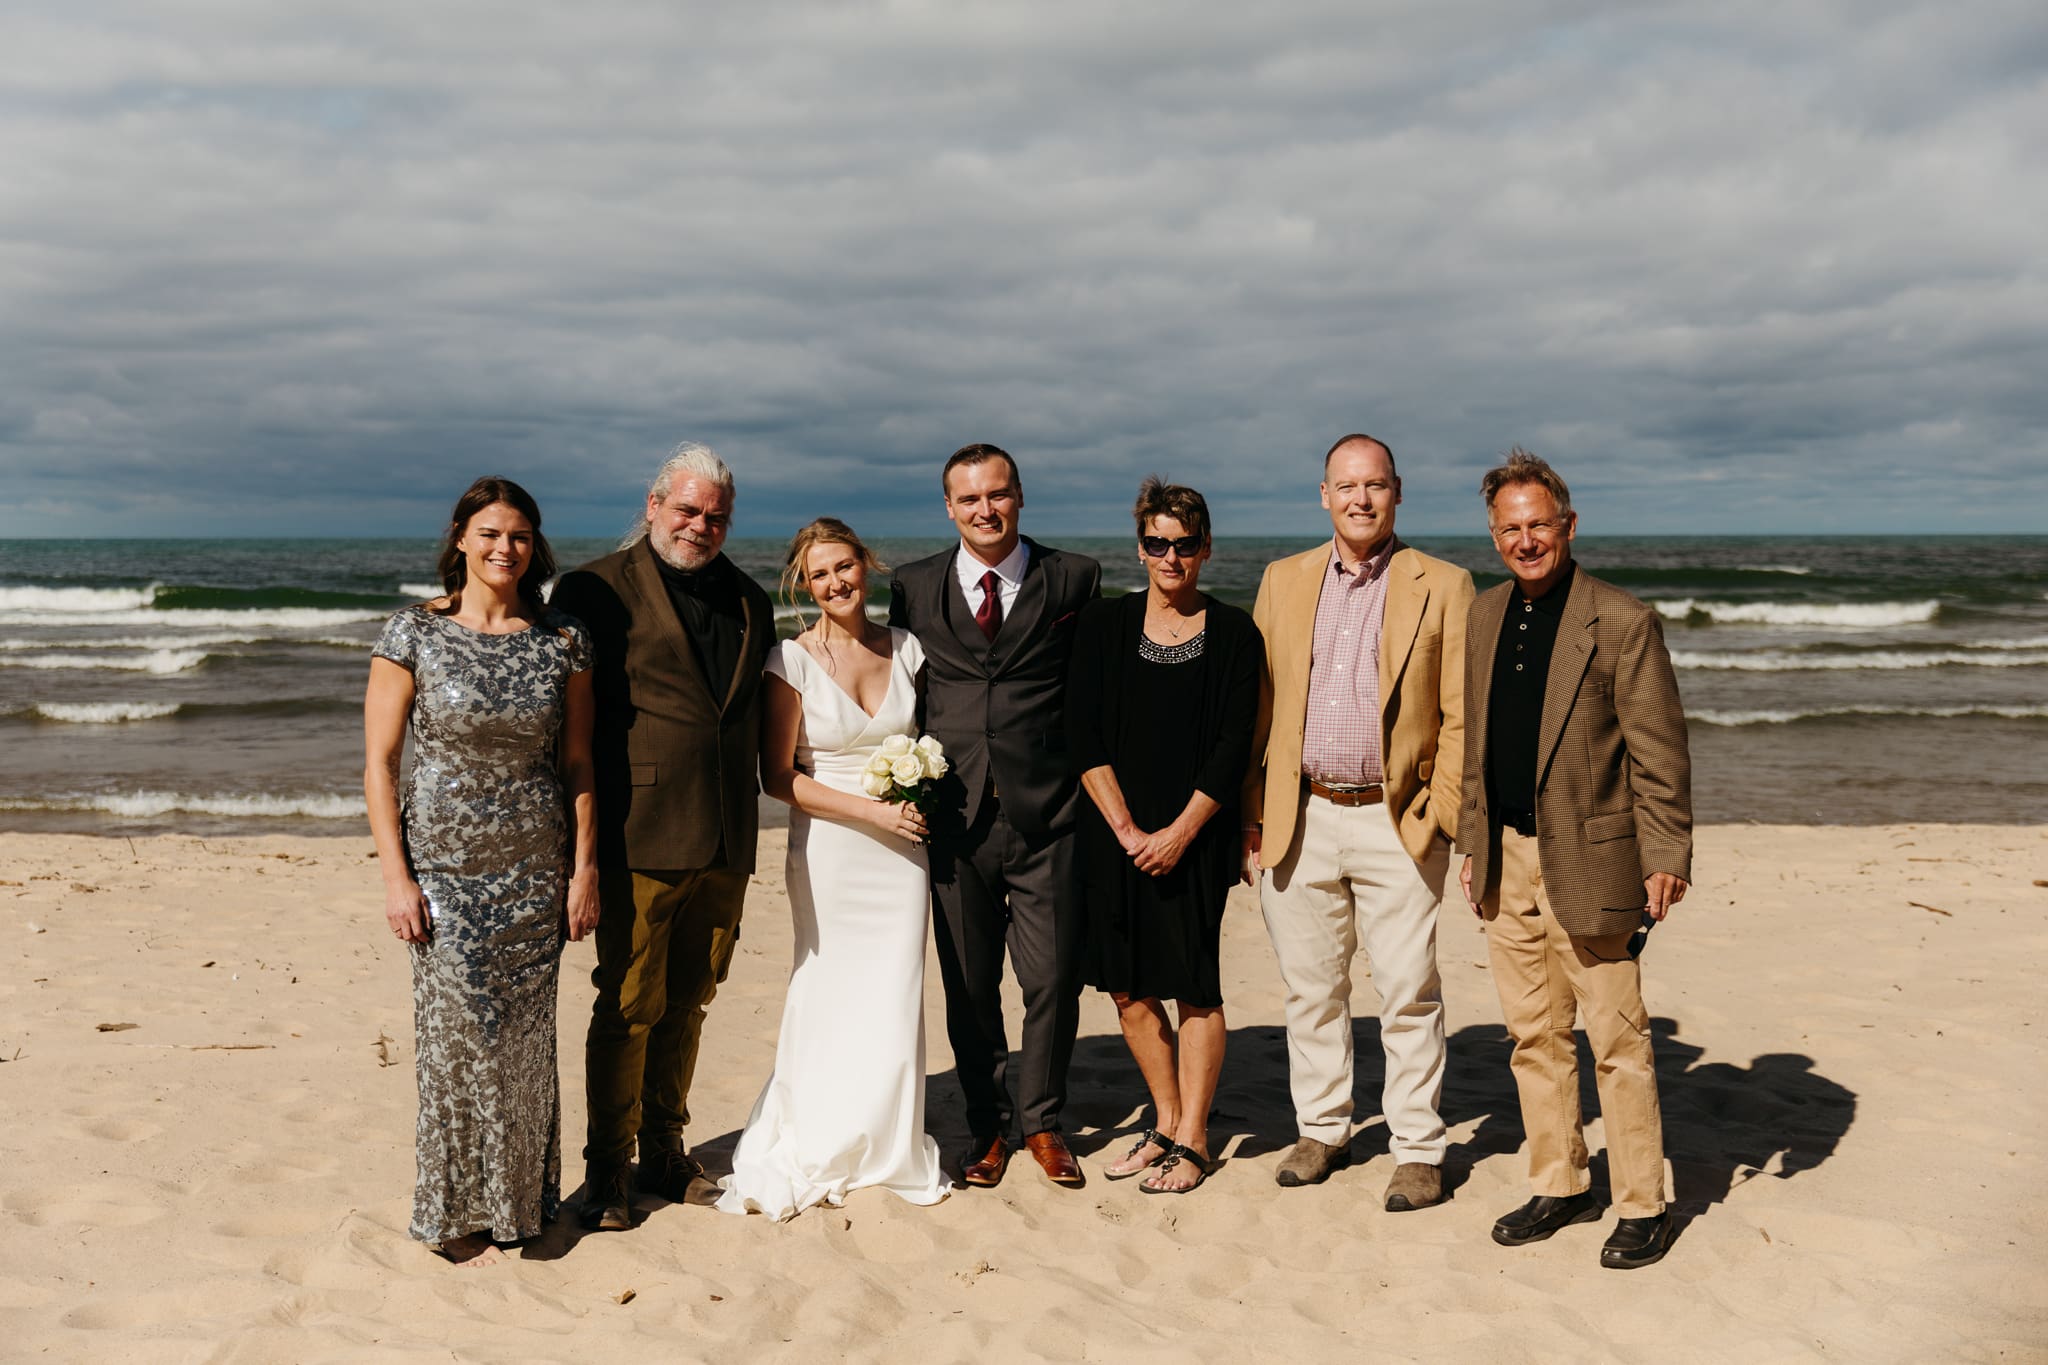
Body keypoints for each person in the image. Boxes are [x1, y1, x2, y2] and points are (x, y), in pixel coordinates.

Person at [1455, 448, 1692, 1270]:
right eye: (1510, 529)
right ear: (1494, 535)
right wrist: (1472, 839)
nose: (1526, 541)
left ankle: (1641, 1202)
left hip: (1595, 864)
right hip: (1506, 859)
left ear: (1569, 526)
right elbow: (1476, 744)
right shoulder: (1483, 616)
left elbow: (1660, 754)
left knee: (1617, 1040)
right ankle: (1560, 1181)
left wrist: (1667, 854)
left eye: (1539, 525)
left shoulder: (1622, 620)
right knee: (1532, 1035)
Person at [363, 476, 599, 1267]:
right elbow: (379, 763)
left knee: (526, 1044)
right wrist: (397, 878)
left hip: (535, 870)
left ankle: (520, 1206)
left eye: (521, 536)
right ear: (461, 537)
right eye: (491, 532)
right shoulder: (412, 634)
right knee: (456, 1039)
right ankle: (454, 1208)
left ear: (536, 547)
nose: (506, 548)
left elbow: (577, 761)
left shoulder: (562, 639)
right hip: (444, 872)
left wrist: (583, 868)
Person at [549, 442, 777, 1232]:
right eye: (686, 509)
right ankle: (606, 1171)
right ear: (653, 506)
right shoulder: (591, 589)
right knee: (627, 1002)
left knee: (692, 1000)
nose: (700, 525)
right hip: (636, 832)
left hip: (725, 835)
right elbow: (565, 719)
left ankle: (666, 1150)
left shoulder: (751, 598)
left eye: (716, 515)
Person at [1244, 433, 1472, 1210]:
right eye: (1347, 486)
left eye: (1374, 485)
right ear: (1324, 494)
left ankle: (1416, 1146)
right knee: (1312, 990)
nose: (1360, 499)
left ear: (1397, 492)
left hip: (1395, 819)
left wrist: (1439, 813)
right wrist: (1254, 808)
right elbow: (1259, 706)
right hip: (1300, 814)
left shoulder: (1443, 583)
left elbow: (1460, 716)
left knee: (1408, 990)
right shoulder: (1282, 580)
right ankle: (1325, 1128)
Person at [716, 519, 952, 1219]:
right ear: (804, 583)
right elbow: (779, 777)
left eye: (844, 567)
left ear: (866, 566)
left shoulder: (908, 649)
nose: (836, 583)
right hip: (831, 849)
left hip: (903, 857)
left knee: (894, 989)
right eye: (820, 574)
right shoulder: (788, 661)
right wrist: (874, 812)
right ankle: (819, 1130)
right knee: (826, 985)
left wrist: (917, 797)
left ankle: (887, 1140)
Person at [888, 443, 1102, 1189]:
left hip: (1050, 812)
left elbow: (1090, 691)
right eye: (970, 498)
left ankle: (1042, 1123)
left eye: (999, 494)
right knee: (971, 986)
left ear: (1019, 496)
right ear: (949, 507)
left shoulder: (1074, 576)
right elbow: (901, 696)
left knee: (1050, 982)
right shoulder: (913, 586)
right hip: (954, 817)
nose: (987, 509)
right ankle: (988, 1126)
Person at [1066, 479, 1261, 1195]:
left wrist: (1178, 833)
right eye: (1157, 542)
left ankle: (1196, 1138)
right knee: (1125, 988)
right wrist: (1127, 830)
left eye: (1184, 543)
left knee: (1193, 986)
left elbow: (1233, 745)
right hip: (1113, 834)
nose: (1170, 556)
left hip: (1196, 837)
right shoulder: (1103, 626)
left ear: (1205, 548)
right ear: (1140, 547)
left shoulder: (1235, 633)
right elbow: (1081, 733)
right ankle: (1167, 1119)